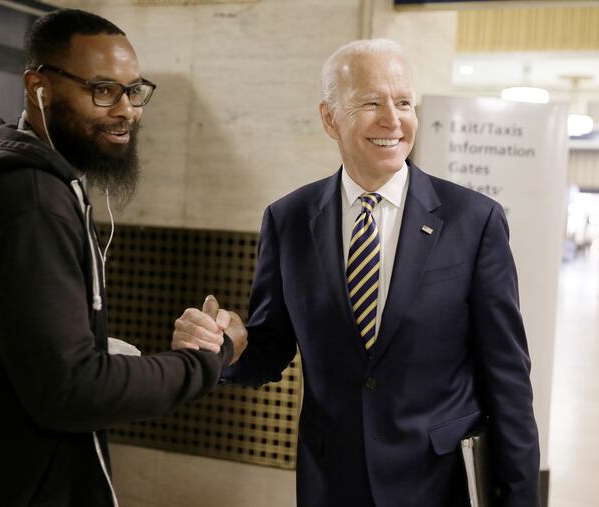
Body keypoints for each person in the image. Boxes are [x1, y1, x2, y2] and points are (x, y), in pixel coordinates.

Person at [220, 39, 540, 506]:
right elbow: (270, 348)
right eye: (371, 102)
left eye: (404, 102)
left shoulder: (474, 220)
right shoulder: (288, 220)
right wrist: (230, 345)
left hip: (436, 481)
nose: (393, 120)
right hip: (330, 482)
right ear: (330, 118)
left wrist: (520, 498)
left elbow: (508, 378)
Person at [0, 9, 245, 507]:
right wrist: (205, 361)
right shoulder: (30, 198)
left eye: (134, 91)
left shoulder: (31, 181)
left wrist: (91, 343)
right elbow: (73, 391)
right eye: (102, 89)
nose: (126, 110)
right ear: (38, 87)